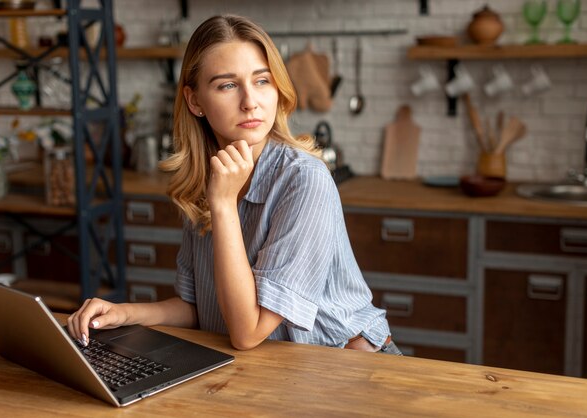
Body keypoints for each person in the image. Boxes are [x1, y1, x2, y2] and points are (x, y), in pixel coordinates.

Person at [67, 14, 401, 355]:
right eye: (227, 85)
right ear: (195, 101)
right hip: (277, 369)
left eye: (261, 81)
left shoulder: (304, 180)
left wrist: (224, 204)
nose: (250, 101)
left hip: (349, 368)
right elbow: (200, 308)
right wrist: (123, 313)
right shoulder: (206, 178)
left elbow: (247, 332)